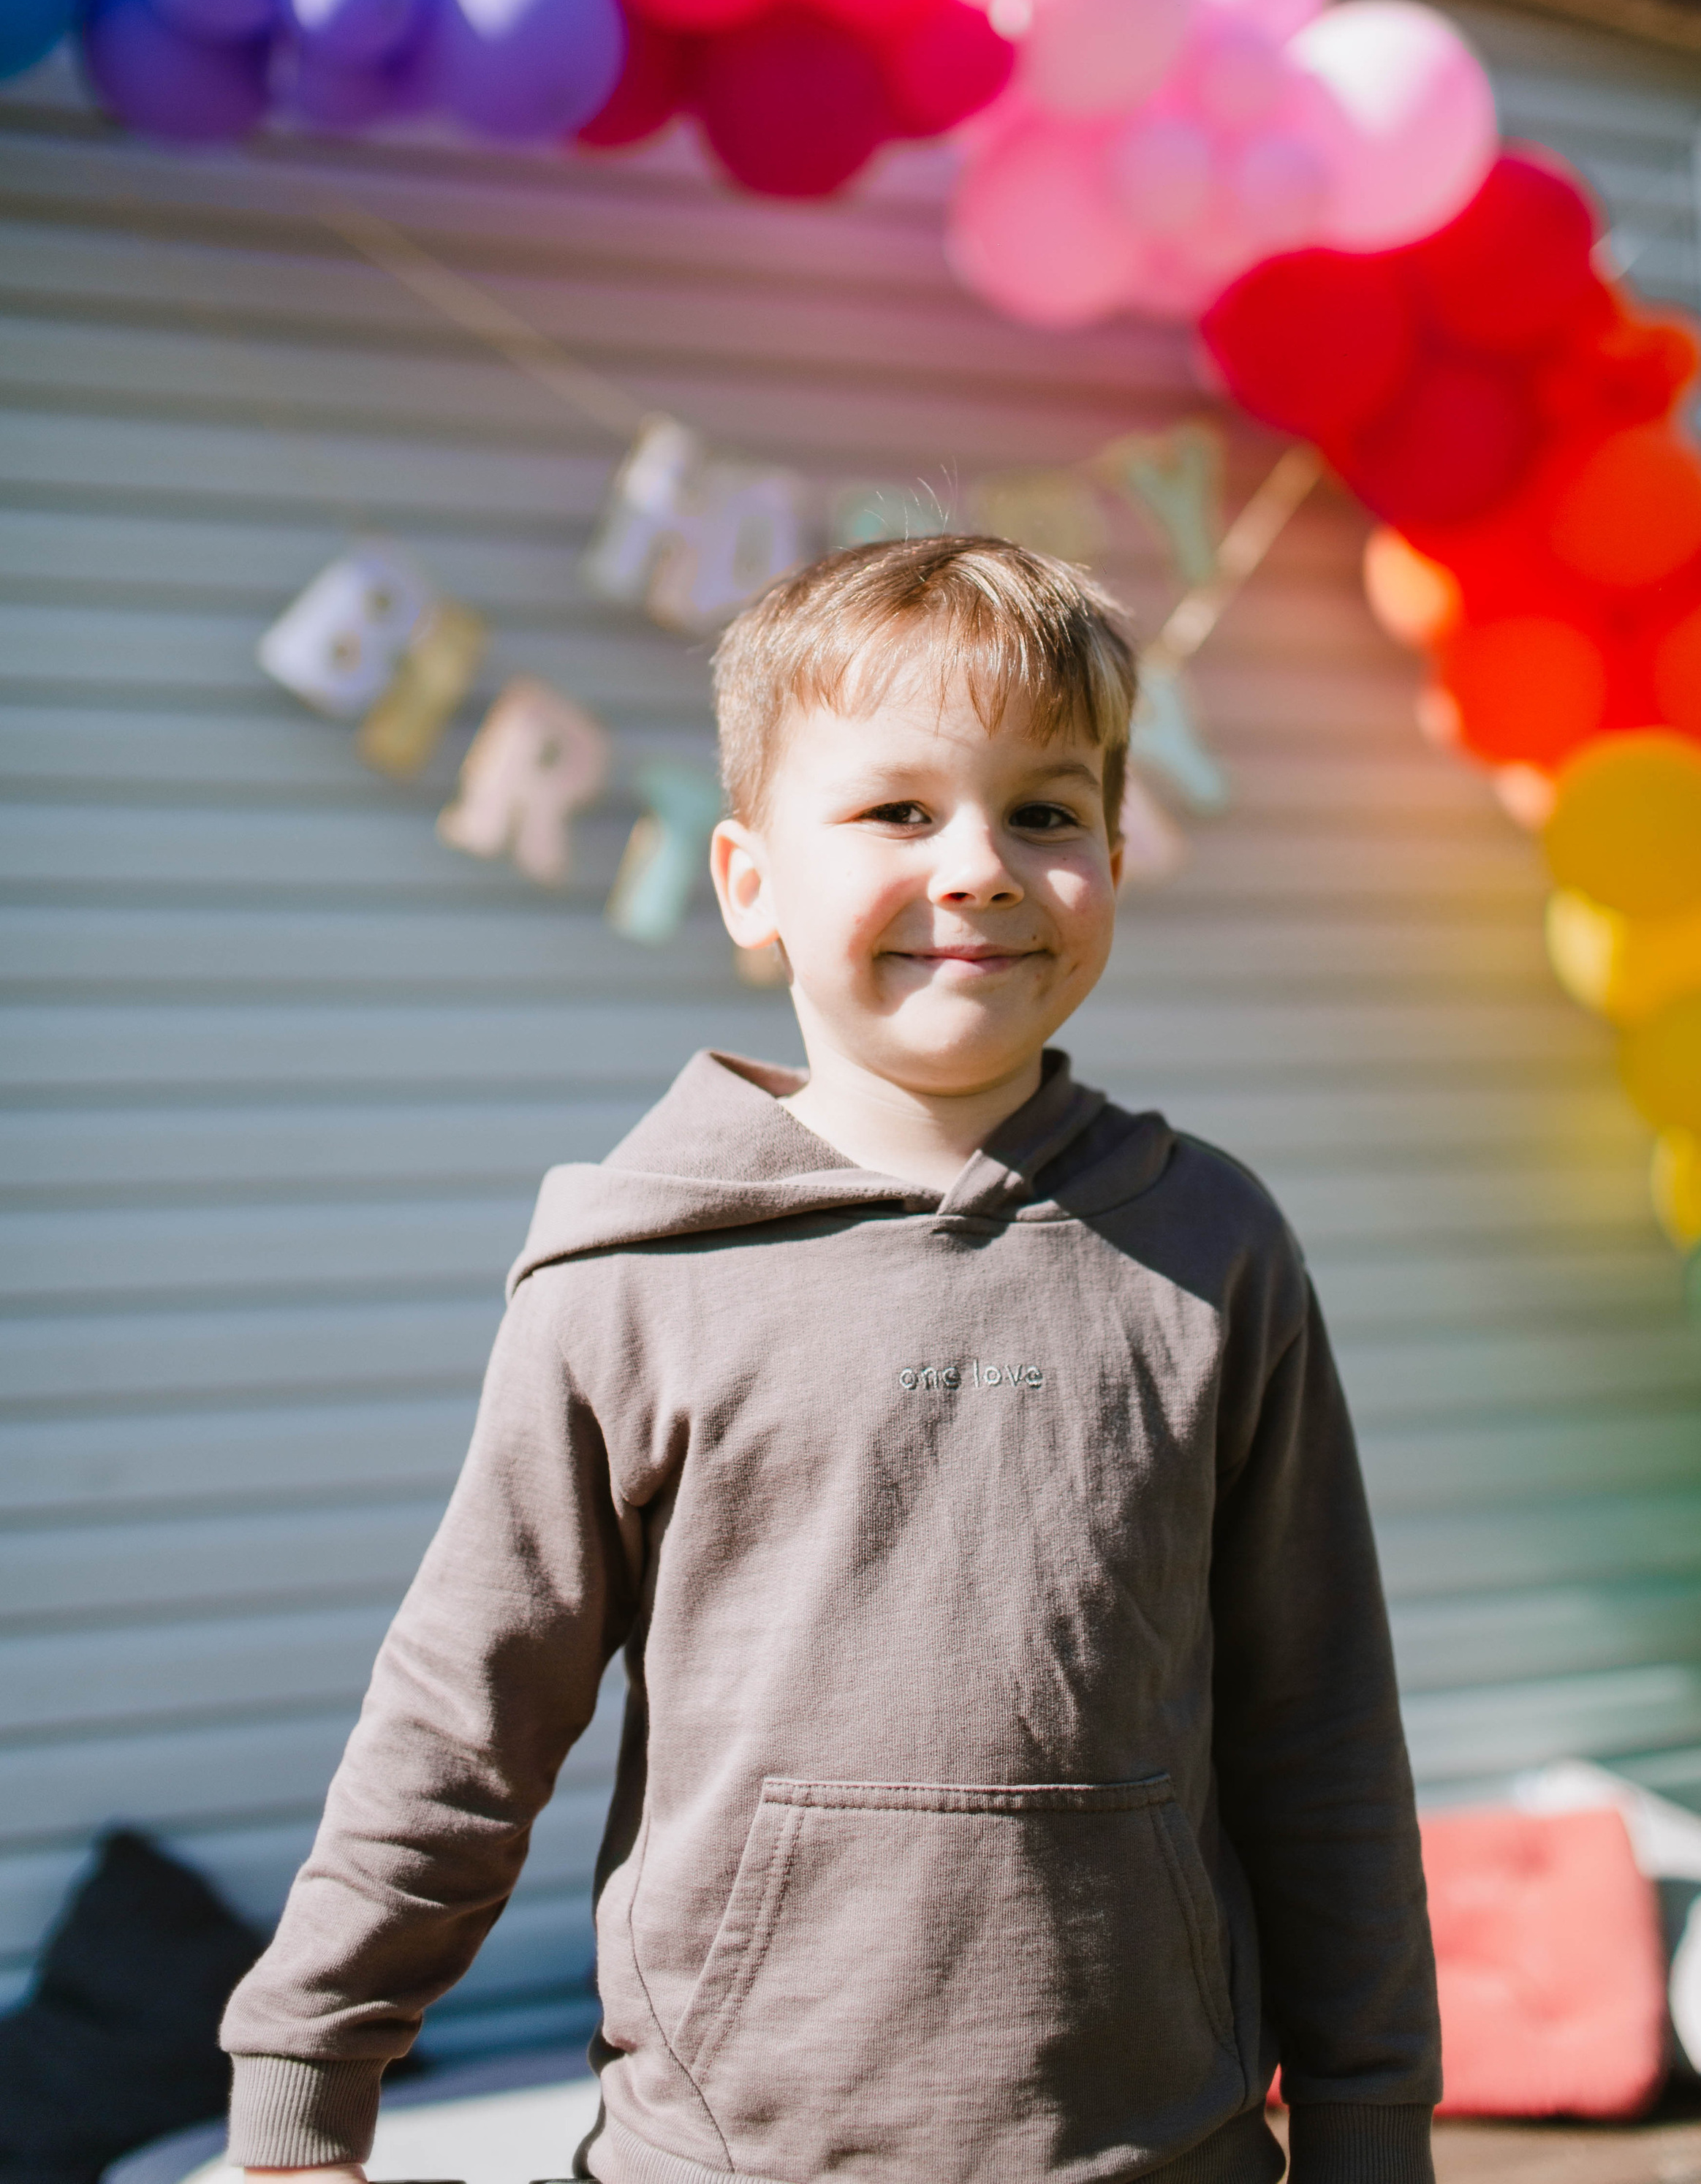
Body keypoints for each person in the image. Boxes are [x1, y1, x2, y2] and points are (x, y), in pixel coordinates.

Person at [224, 535, 1440, 2184]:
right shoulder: (631, 1278)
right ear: (747, 882)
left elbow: (1321, 1727)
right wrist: (306, 2078)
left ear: (1112, 852)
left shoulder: (1212, 1245)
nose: (981, 868)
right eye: (897, 811)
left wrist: (1370, 2115)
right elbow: (464, 1717)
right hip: (731, 2155)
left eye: (1045, 812)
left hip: (1166, 2152)